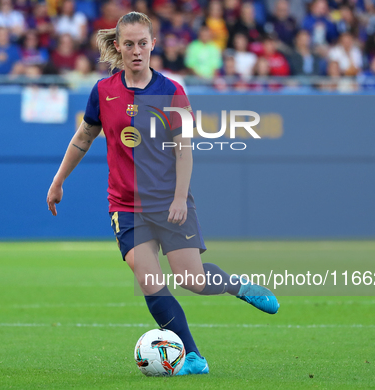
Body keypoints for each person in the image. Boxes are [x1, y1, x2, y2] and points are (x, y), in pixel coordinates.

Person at [46, 11, 279, 376]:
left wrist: (179, 198)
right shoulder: (103, 92)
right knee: (149, 281)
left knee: (193, 280)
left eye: (143, 43)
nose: (136, 50)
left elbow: (184, 149)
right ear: (118, 47)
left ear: (153, 44)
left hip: (170, 200)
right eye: (129, 44)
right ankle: (194, 358)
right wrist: (58, 181)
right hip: (126, 205)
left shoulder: (173, 92)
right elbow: (83, 137)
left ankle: (238, 287)